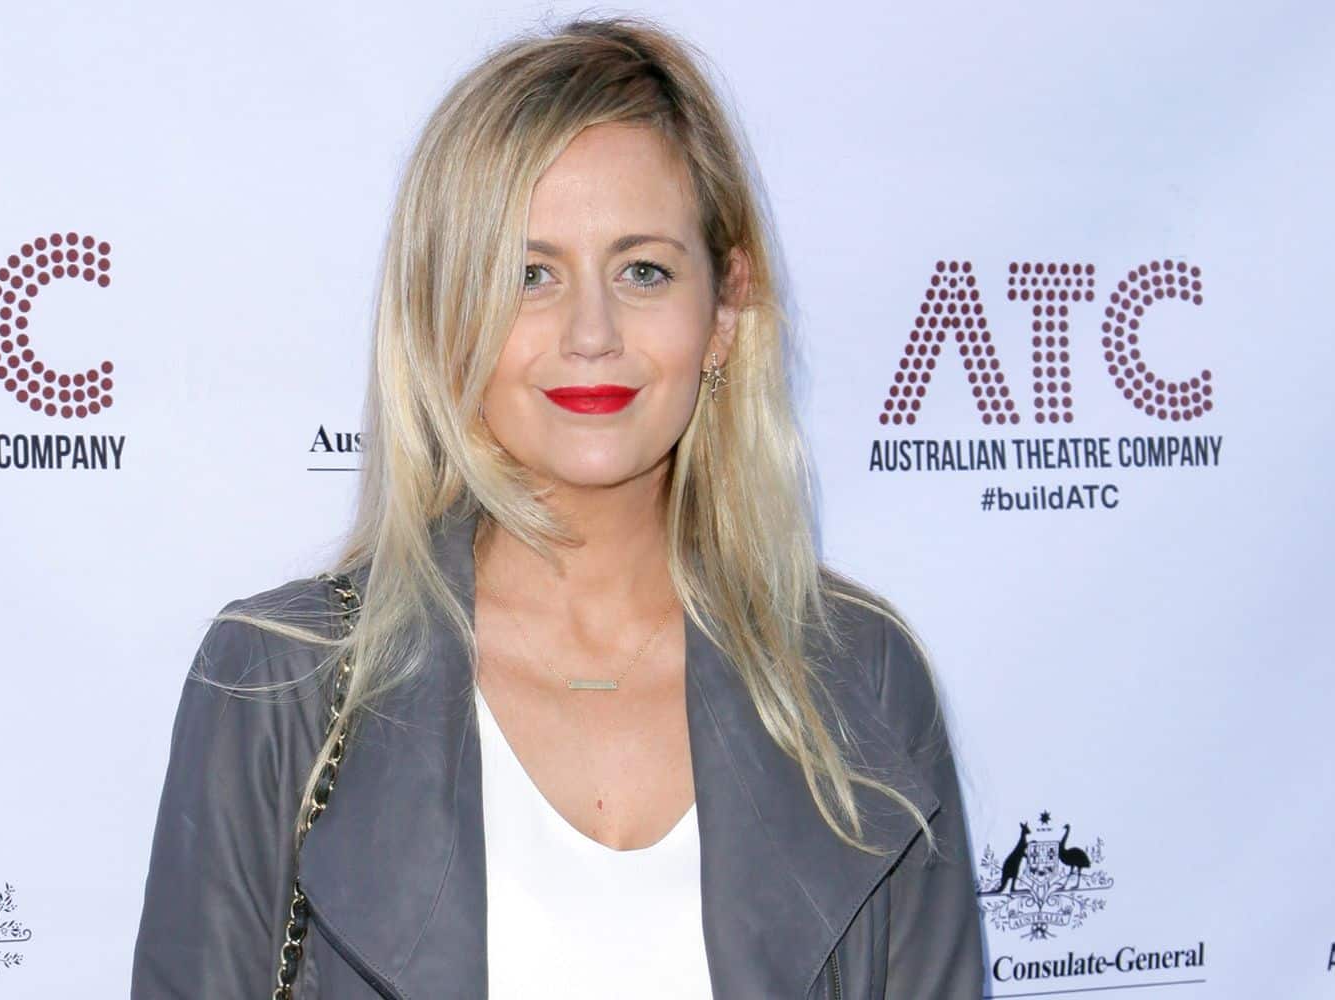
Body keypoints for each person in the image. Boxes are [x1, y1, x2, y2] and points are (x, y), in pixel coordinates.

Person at [131, 13, 983, 1000]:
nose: (592, 332)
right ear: (445, 316)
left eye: (643, 270)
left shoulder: (861, 675)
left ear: (725, 309)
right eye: (529, 274)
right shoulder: (278, 684)